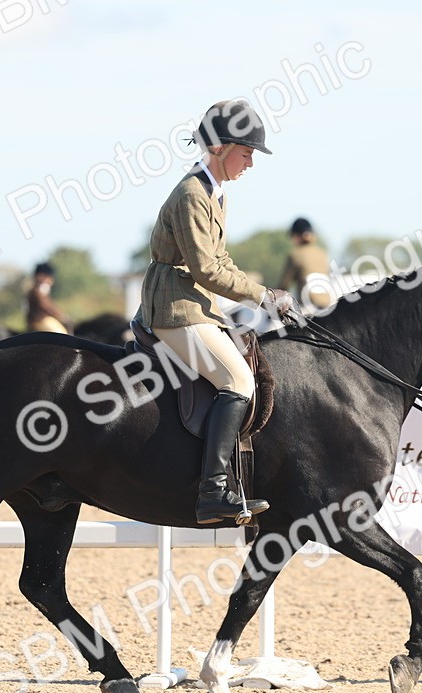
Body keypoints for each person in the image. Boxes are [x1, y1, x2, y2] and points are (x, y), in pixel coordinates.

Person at [135, 99, 294, 524]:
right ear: (222, 147)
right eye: (247, 152)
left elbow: (220, 262)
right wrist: (261, 295)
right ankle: (214, 490)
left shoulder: (214, 192)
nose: (251, 163)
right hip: (175, 307)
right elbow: (206, 269)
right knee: (238, 381)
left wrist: (266, 297)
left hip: (198, 305)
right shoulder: (192, 193)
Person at [278, 217, 334, 313]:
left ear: (297, 236)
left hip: (307, 307)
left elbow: (284, 285)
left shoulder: (295, 254)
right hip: (328, 304)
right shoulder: (322, 253)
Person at [26, 262, 72, 334]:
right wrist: (62, 316)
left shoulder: (40, 291)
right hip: (40, 321)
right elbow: (46, 306)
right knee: (61, 334)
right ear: (41, 276)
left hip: (42, 320)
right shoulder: (37, 291)